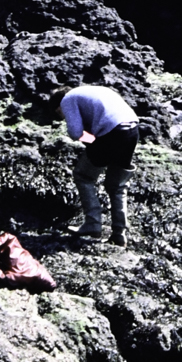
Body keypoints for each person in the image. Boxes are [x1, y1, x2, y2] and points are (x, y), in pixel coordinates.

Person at [59, 82, 139, 244]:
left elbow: (75, 132)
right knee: (117, 185)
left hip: (112, 133)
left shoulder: (66, 99)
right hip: (132, 130)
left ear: (57, 105)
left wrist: (92, 141)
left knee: (83, 176)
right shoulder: (96, 90)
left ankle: (93, 224)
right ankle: (119, 233)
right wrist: (95, 142)